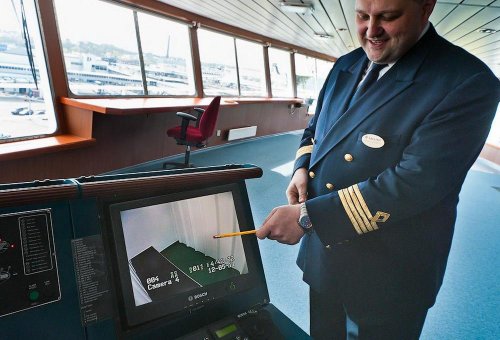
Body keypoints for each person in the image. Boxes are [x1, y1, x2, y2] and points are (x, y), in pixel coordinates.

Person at [256, 0, 500, 338]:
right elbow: (317, 129)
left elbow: (415, 183)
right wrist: (302, 167)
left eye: (388, 17)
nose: (371, 31)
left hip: (390, 269)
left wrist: (307, 217)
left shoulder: (466, 81)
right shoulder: (346, 65)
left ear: (425, 8)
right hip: (325, 255)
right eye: (362, 16)